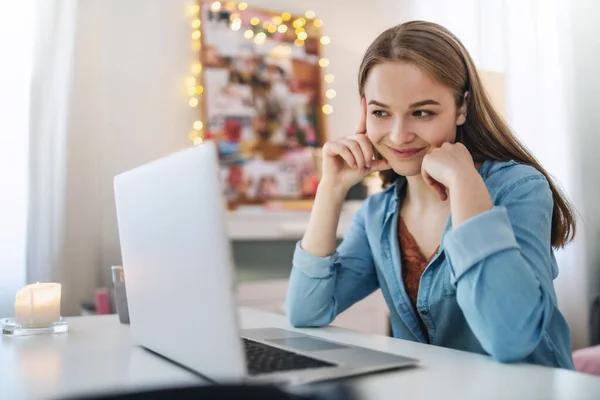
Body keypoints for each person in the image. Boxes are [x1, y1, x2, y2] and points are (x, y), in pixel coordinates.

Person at [286, 21, 577, 369]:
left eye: (422, 112)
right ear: (365, 110)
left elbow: (510, 339)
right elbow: (306, 312)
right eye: (381, 112)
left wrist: (466, 185)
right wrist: (331, 189)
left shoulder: (517, 188)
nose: (398, 135)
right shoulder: (377, 214)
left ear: (461, 108)